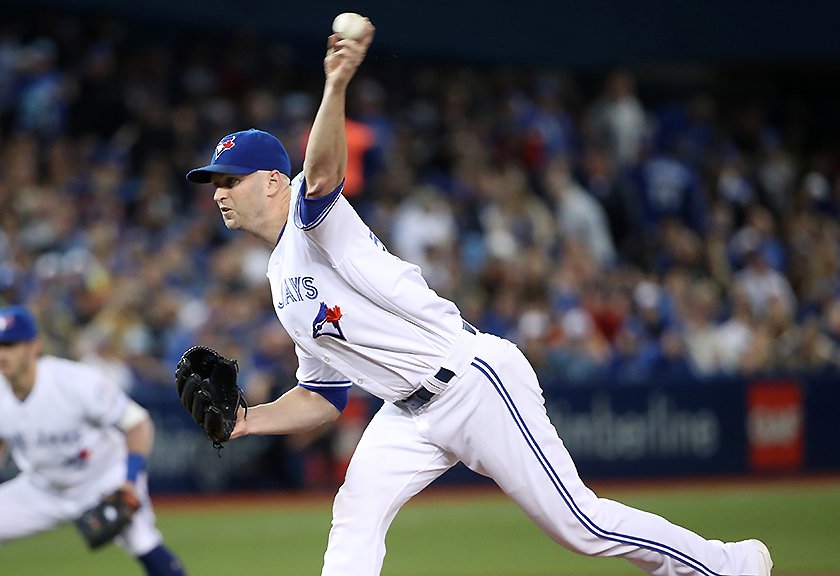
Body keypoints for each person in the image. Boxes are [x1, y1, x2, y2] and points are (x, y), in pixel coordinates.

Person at [184, 18, 773, 576]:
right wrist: (246, 421)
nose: (218, 193)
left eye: (228, 180)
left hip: (470, 383)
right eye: (214, 182)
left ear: (270, 182)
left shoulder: (316, 227)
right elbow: (323, 393)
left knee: (579, 525)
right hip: (406, 413)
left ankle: (729, 564)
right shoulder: (281, 277)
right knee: (355, 512)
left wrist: (336, 83)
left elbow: (320, 177)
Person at [0, 305, 185, 576]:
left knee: (143, 541)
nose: (1, 354)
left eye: (10, 345)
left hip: (104, 480)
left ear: (34, 346)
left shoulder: (75, 382)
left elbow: (138, 423)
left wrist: (129, 482)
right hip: (44, 487)